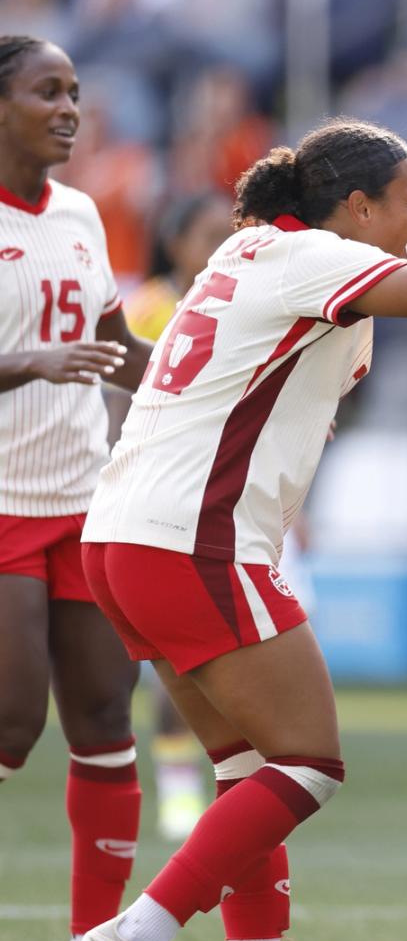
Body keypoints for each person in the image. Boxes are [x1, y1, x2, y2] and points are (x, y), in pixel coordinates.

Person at [76, 88, 407, 941]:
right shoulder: (310, 260)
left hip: (128, 535)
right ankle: (138, 935)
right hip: (194, 538)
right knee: (310, 762)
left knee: (247, 770)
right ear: (355, 209)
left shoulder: (265, 248)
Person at [0, 34, 156, 941]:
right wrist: (28, 365)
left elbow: (112, 345)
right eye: (45, 92)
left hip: (81, 500)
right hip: (3, 503)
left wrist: (214, 387)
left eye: (75, 92)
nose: (69, 108)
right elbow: (58, 356)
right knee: (12, 725)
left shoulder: (83, 213)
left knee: (104, 719)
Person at [125, 191, 233, 841]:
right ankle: (177, 787)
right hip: (163, 505)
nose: (225, 243)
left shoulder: (244, 298)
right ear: (177, 243)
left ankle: (241, 785)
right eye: (212, 232)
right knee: (179, 662)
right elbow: (116, 407)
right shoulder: (148, 311)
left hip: (238, 505)